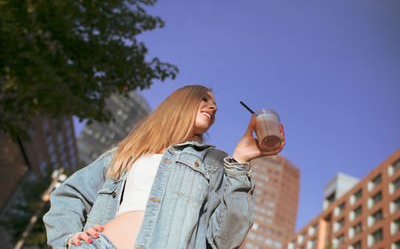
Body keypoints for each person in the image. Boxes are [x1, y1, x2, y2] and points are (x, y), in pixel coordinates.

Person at [43, 85, 285, 249]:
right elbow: (69, 194)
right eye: (205, 99)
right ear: (181, 103)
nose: (214, 108)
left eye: (215, 106)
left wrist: (240, 161)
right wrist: (69, 239)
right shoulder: (129, 152)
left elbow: (225, 240)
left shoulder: (214, 163)